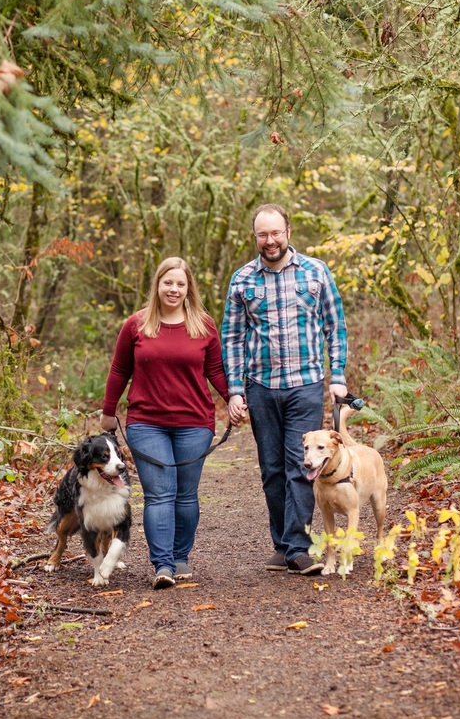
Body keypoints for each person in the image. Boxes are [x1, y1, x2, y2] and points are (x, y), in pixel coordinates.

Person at [221, 203, 348, 576]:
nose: (270, 240)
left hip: (305, 385)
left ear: (288, 231)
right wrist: (234, 390)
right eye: (263, 234)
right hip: (260, 387)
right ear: (255, 237)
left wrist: (336, 375)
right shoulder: (242, 279)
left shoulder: (316, 271)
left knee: (301, 466)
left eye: (276, 232)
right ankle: (283, 544)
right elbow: (232, 338)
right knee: (272, 469)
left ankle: (298, 546)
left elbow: (334, 326)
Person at [100, 257, 233, 589]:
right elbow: (119, 370)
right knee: (160, 494)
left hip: (195, 422)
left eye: (180, 284)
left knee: (186, 495)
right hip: (146, 423)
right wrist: (108, 410)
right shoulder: (137, 325)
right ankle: (162, 565)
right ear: (157, 286)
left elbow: (216, 370)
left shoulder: (203, 325)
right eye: (168, 283)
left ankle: (180, 556)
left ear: (189, 289)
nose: (174, 289)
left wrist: (234, 398)